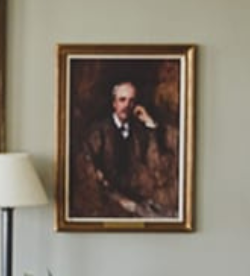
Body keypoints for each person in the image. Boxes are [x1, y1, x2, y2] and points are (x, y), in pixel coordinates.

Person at [75, 79, 178, 219]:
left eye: (131, 101)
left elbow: (156, 164)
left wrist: (150, 125)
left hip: (139, 198)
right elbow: (90, 173)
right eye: (122, 100)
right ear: (114, 103)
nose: (126, 105)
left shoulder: (140, 131)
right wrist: (118, 198)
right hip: (109, 199)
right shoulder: (98, 132)